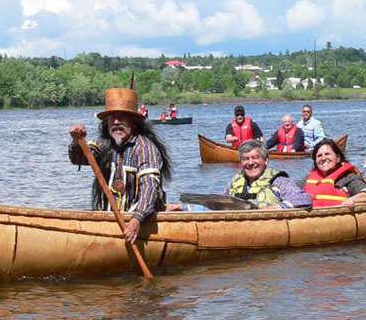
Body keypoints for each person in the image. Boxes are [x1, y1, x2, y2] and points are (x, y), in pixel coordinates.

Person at [68, 87, 172, 244]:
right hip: (113, 218)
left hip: (141, 221)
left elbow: (150, 187)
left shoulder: (144, 148)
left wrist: (137, 220)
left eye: (122, 117)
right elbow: (80, 158)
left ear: (134, 123)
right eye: (112, 118)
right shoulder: (104, 144)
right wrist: (77, 142)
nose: (116, 122)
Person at [166, 139, 311, 211]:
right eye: (246, 159)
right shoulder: (236, 182)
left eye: (255, 158)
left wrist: (275, 208)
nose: (250, 163)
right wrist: (180, 207)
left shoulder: (279, 181)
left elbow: (304, 198)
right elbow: (215, 205)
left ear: (266, 160)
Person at [304, 138, 366, 208]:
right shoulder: (308, 179)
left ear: (337, 158)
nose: (323, 158)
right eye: (319, 156)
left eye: (327, 154)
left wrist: (352, 200)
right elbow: (293, 190)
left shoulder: (348, 177)